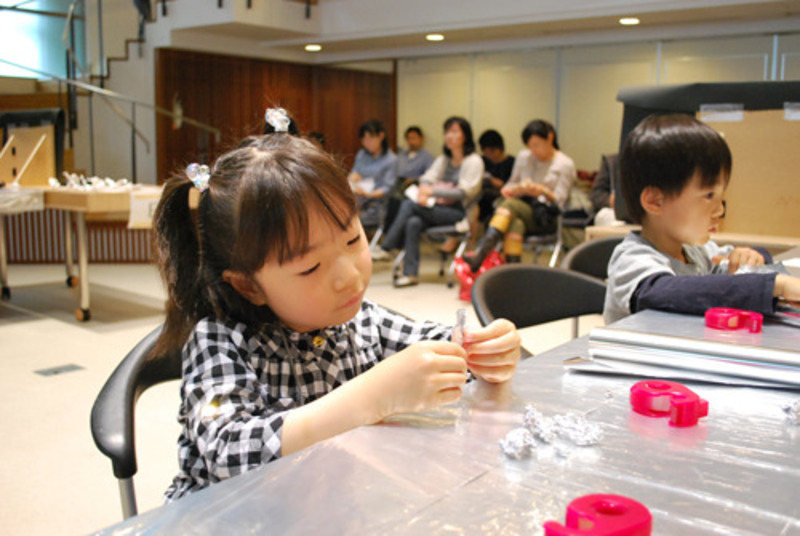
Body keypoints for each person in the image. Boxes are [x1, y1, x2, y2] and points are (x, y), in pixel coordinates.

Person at [153, 111, 521, 502]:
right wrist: (372, 397)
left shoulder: (361, 322)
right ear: (248, 285)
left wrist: (482, 348)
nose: (348, 276)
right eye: (310, 267)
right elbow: (228, 450)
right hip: (228, 518)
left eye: (352, 240)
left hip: (327, 507)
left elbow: (437, 344)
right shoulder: (218, 341)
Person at [604, 113, 800, 324]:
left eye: (721, 198)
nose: (720, 210)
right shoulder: (632, 259)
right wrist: (774, 286)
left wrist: (753, 257)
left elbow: (733, 274)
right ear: (655, 201)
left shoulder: (698, 252)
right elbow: (665, 293)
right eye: (708, 196)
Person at [372, 116, 484, 287]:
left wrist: (432, 191)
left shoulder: (474, 161)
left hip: (459, 213)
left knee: (409, 205)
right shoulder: (444, 159)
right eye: (447, 132)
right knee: (413, 222)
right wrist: (423, 192)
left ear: (465, 136)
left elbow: (464, 192)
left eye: (454, 132)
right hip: (435, 208)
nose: (449, 136)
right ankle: (410, 274)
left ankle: (387, 246)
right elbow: (427, 178)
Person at [463, 119, 576, 272]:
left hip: (545, 217)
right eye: (529, 146)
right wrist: (518, 189)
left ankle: (481, 253)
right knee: (515, 224)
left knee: (510, 205)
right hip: (521, 210)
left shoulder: (564, 164)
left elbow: (560, 201)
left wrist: (542, 191)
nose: (533, 150)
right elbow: (509, 185)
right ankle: (513, 273)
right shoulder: (524, 157)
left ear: (550, 138)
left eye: (536, 145)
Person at [348, 120, 397, 231]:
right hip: (357, 200)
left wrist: (368, 194)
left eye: (370, 138)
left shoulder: (391, 160)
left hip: (376, 205)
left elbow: (387, 188)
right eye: (364, 139)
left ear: (381, 136)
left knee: (348, 221)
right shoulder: (362, 155)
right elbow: (353, 175)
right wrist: (352, 178)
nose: (367, 142)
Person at [384, 126, 435, 231]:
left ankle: (393, 232)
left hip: (416, 186)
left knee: (398, 200)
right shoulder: (401, 156)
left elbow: (430, 176)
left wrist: (416, 180)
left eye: (414, 138)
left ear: (421, 139)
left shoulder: (426, 157)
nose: (411, 141)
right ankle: (387, 230)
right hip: (399, 184)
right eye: (409, 138)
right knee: (391, 198)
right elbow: (396, 172)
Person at [478, 129, 515, 225]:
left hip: (503, 199)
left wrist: (497, 183)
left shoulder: (512, 162)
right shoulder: (482, 161)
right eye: (486, 152)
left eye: (492, 151)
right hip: (484, 199)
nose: (489, 155)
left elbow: (512, 186)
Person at [590, 153, 622, 226]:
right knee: (605, 215)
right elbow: (596, 195)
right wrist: (610, 201)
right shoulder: (611, 162)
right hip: (614, 214)